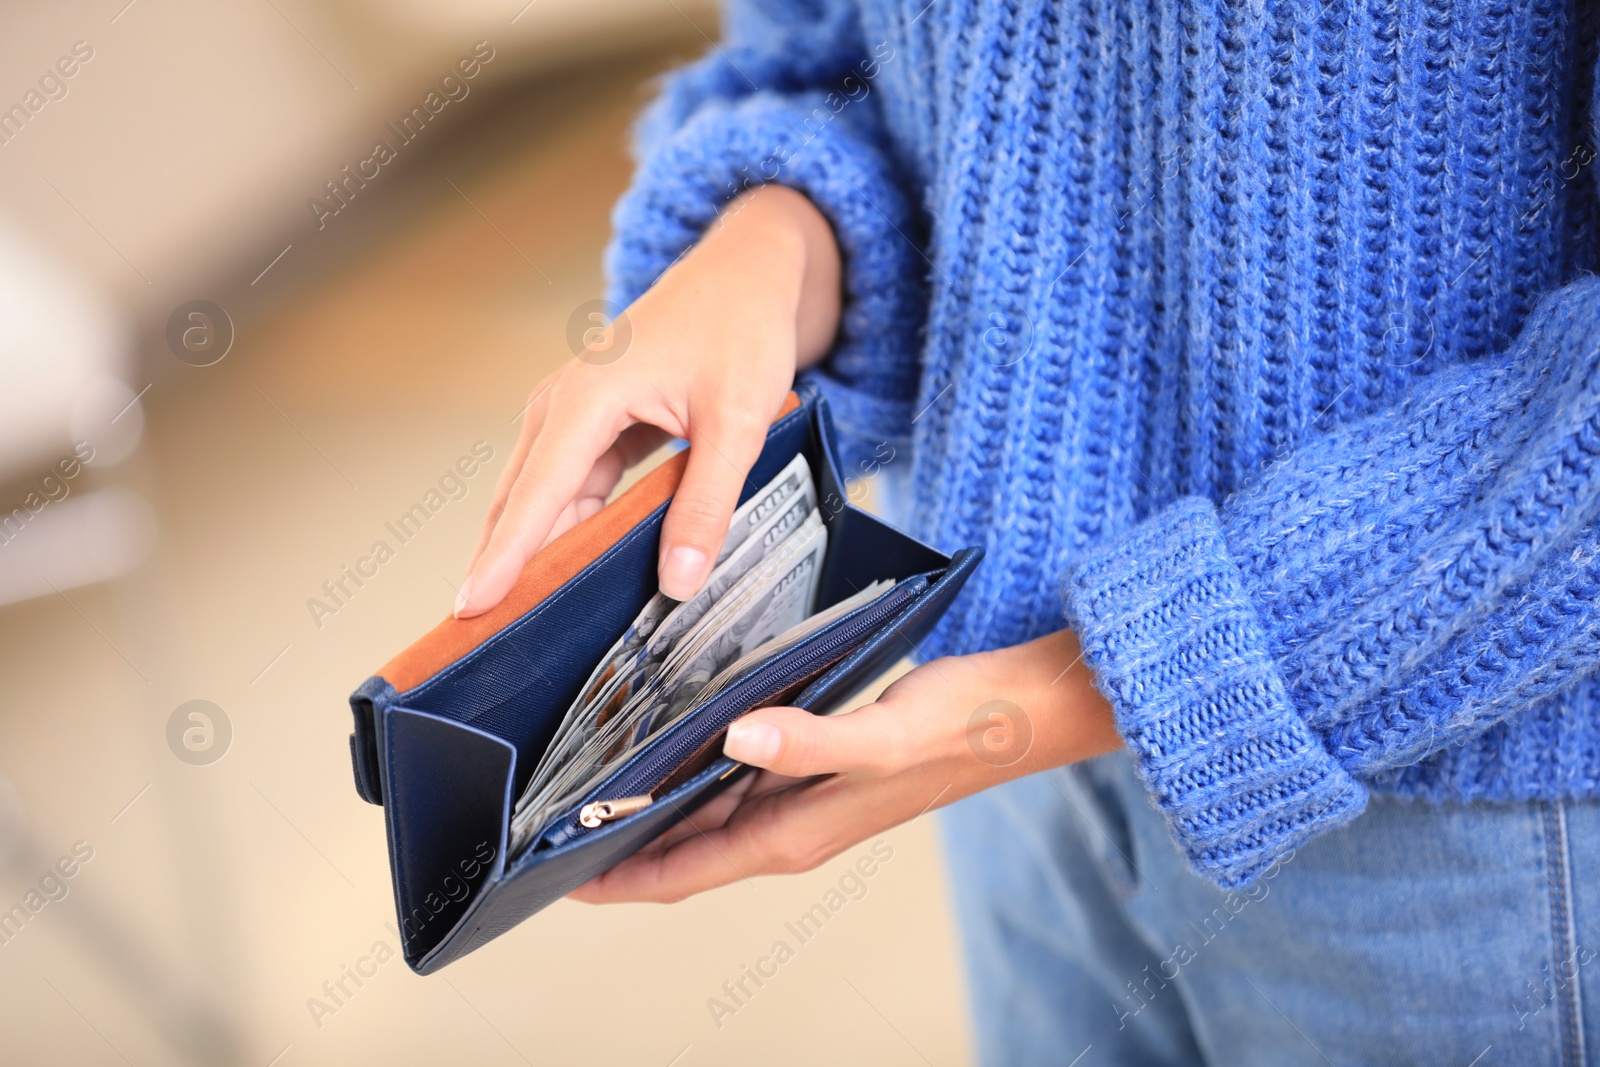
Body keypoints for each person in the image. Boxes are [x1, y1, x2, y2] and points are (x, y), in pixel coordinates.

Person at [457, 3, 1600, 1062]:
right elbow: (850, 47)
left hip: (1463, 804)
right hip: (996, 754)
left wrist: (1103, 685)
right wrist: (776, 239)